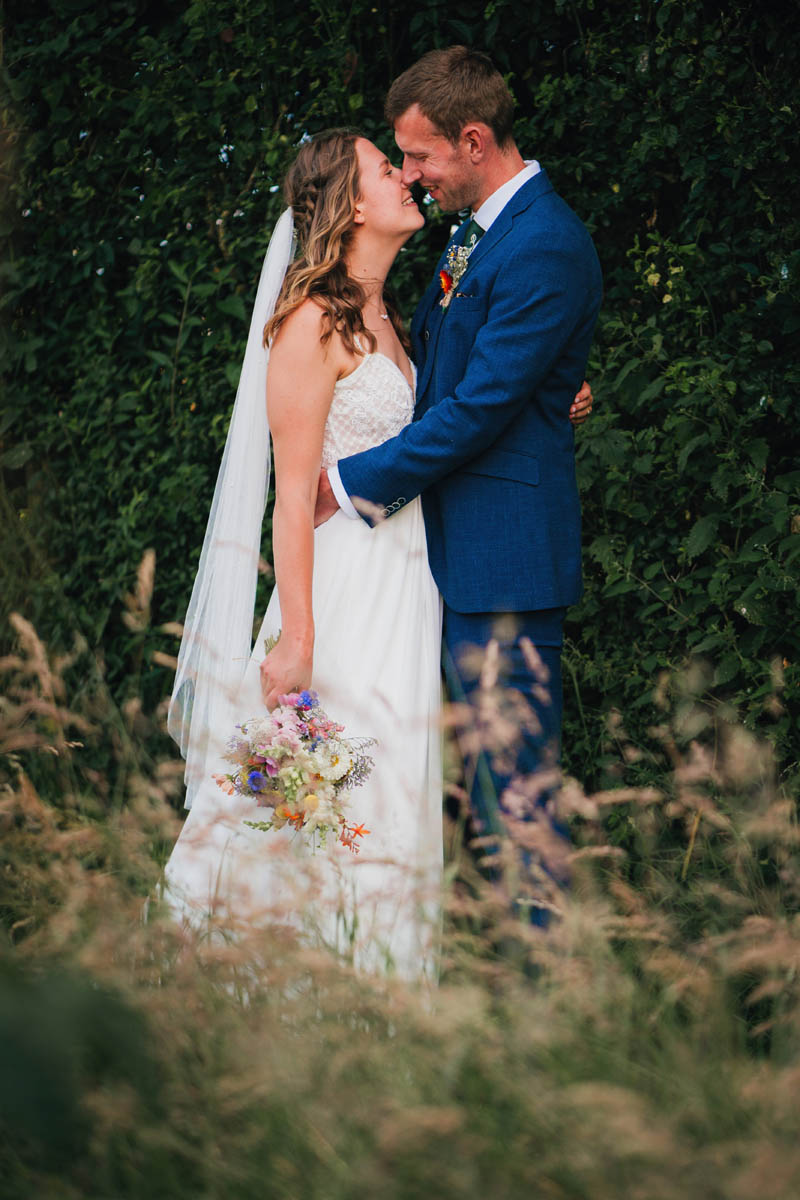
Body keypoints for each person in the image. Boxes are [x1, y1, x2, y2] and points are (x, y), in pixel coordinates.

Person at [314, 47, 603, 911]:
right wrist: (556, 390)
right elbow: (459, 377)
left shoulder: (545, 242)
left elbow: (477, 410)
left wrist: (354, 481)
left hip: (502, 563)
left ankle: (537, 1009)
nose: (412, 175)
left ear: (473, 141)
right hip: (440, 556)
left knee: (513, 801)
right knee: (453, 791)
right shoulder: (477, 233)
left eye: (420, 157)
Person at [164, 130, 443, 978]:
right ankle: (270, 984)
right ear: (353, 203)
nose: (407, 179)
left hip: (408, 586)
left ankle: (386, 994)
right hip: (341, 595)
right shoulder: (310, 321)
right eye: (387, 169)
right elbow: (293, 497)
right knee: (308, 803)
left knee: (393, 788)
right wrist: (298, 636)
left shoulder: (397, 312)